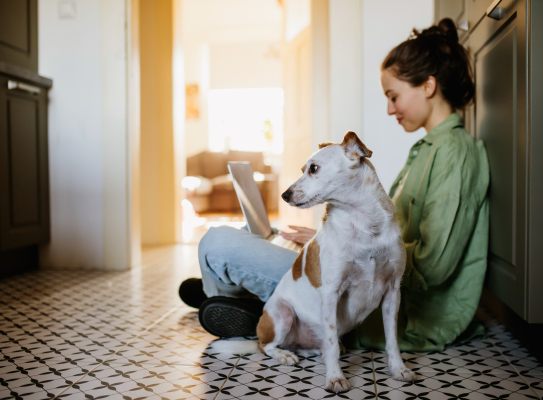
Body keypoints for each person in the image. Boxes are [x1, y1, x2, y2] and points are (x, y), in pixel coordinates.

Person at [179, 18, 490, 352]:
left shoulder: (454, 155)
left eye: (393, 96)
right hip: (356, 273)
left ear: (428, 86)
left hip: (373, 301)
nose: (389, 109)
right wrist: (329, 240)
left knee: (216, 242)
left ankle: (239, 301)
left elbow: (432, 265)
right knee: (250, 229)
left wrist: (342, 249)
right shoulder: (429, 149)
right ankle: (240, 297)